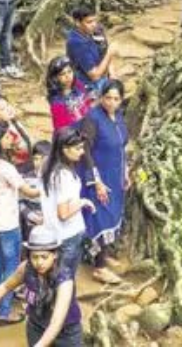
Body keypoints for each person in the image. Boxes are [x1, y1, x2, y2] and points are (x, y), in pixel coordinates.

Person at [80, 80, 130, 285]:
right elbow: (85, 150)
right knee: (100, 218)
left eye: (116, 98)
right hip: (99, 176)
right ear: (101, 97)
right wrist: (96, 181)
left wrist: (126, 171)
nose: (111, 102)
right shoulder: (93, 118)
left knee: (111, 218)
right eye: (108, 97)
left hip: (115, 175)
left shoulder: (117, 117)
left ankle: (104, 256)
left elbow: (122, 146)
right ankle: (99, 268)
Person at [0, 226, 83, 347]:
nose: (39, 262)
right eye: (35, 257)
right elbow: (6, 287)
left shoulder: (64, 280)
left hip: (66, 332)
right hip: (36, 326)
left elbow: (56, 323)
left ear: (55, 255)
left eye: (44, 257)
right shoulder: (26, 269)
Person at [40, 125, 94, 275]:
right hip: (68, 235)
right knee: (65, 281)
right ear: (65, 149)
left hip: (55, 233)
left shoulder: (48, 168)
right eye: (78, 148)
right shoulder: (63, 176)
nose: (82, 152)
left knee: (59, 279)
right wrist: (83, 202)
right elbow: (63, 214)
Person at [1, 125, 41, 325]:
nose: (11, 138)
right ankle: (4, 311)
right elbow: (30, 192)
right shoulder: (7, 168)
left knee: (1, 268)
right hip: (8, 227)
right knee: (10, 270)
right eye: (7, 136)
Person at [65, 6, 115, 92]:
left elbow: (104, 50)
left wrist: (112, 72)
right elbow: (94, 76)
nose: (94, 24)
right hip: (87, 85)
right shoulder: (77, 43)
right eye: (89, 22)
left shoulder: (95, 31)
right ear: (77, 23)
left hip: (101, 76)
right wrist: (110, 54)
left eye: (95, 20)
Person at [45, 57, 93, 132]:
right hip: (73, 137)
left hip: (89, 128)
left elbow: (88, 104)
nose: (67, 76)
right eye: (62, 74)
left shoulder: (78, 85)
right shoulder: (57, 103)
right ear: (55, 78)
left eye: (69, 71)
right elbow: (64, 130)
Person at [0, 98, 34, 172]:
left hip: (28, 167)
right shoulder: (2, 131)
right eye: (3, 109)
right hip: (16, 174)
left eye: (8, 105)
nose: (9, 109)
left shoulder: (13, 122)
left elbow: (28, 143)